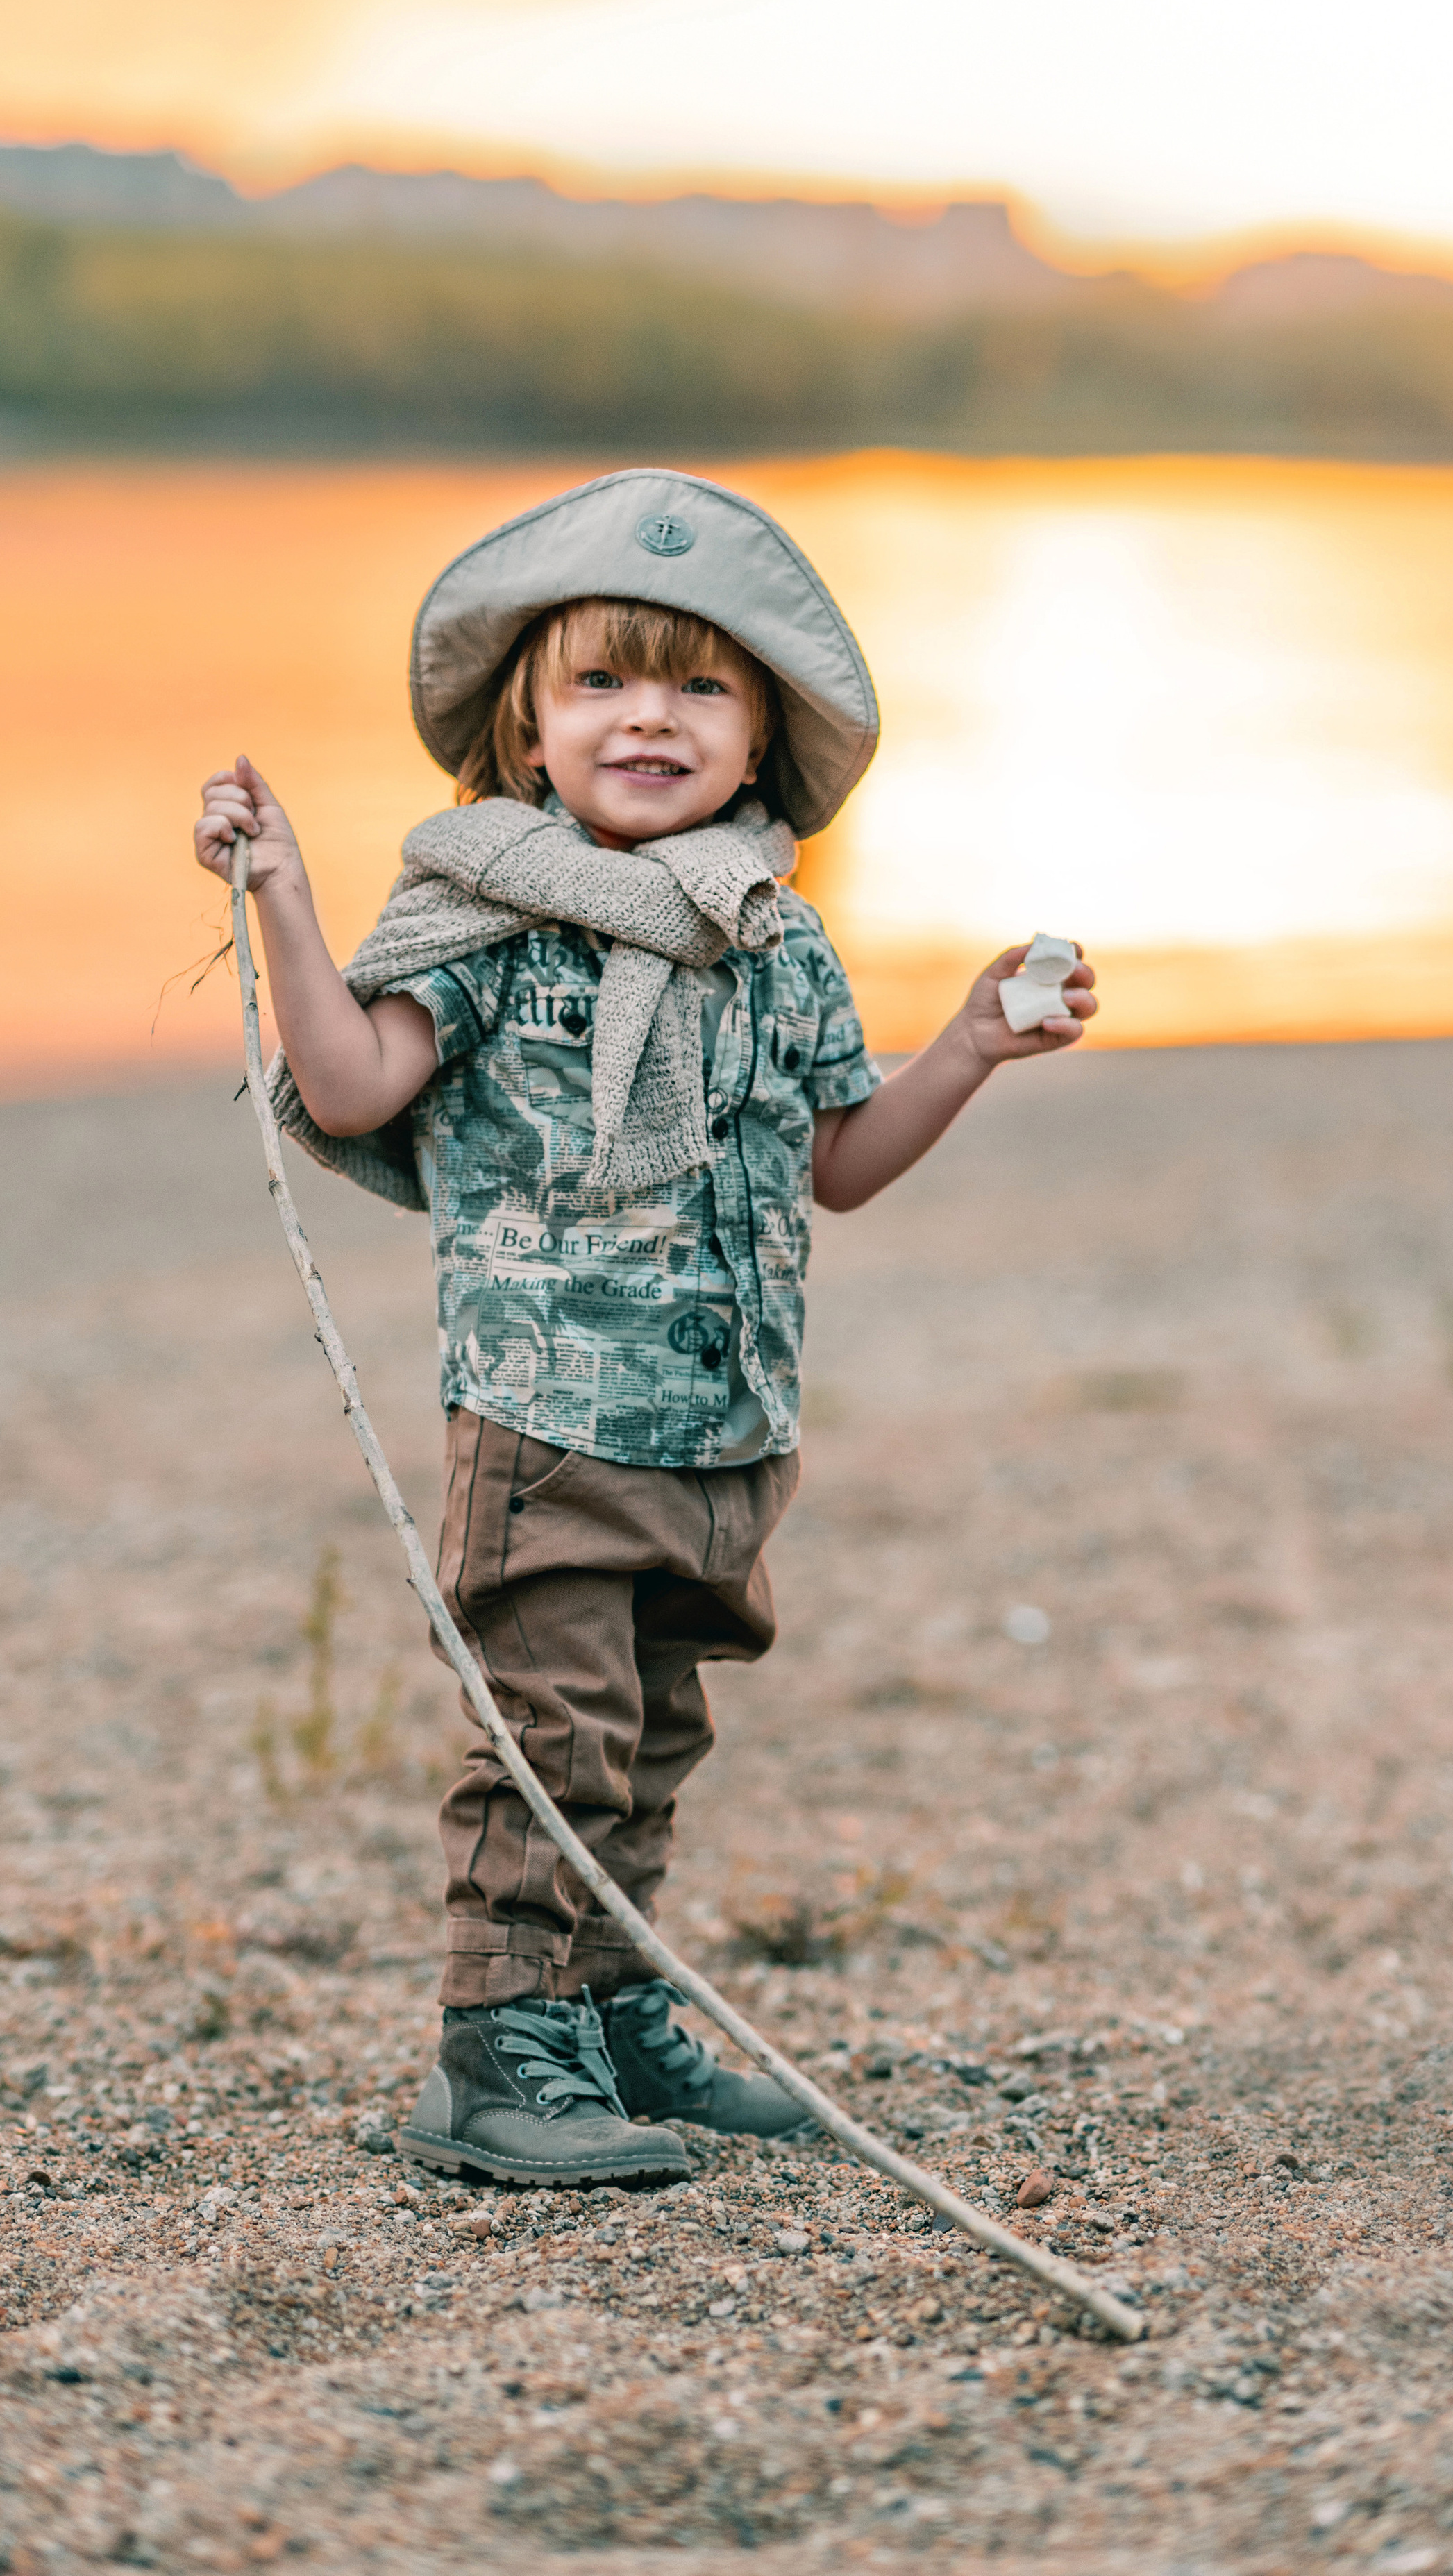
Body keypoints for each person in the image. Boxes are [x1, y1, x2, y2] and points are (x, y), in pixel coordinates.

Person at [193, 468, 1096, 2189]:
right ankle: (496, 2048)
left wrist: (967, 1048)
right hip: (548, 1421)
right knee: (551, 1734)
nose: (648, 717)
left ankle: (609, 2012)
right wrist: (284, 901)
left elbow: (834, 1164)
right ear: (527, 731)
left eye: (698, 684)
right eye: (600, 680)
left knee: (655, 1730)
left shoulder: (775, 937)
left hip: (726, 1425)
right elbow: (351, 1077)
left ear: (760, 739)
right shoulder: (483, 919)